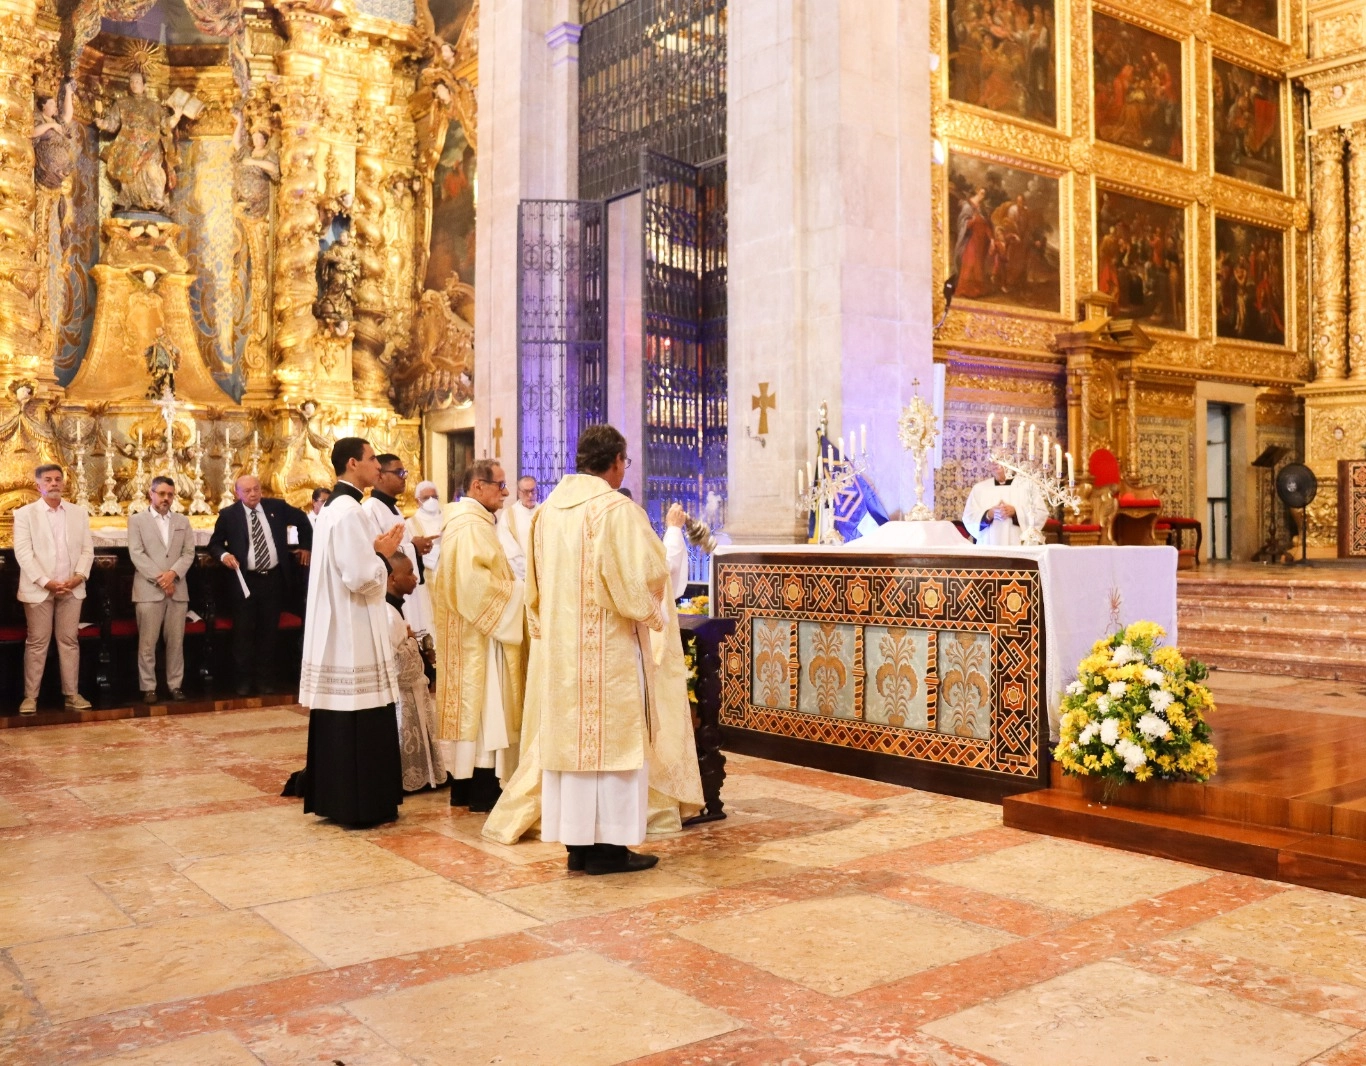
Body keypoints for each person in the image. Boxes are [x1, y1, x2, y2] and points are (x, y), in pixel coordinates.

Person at [483, 425, 671, 875]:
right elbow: (640, 576)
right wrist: (652, 611)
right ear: (617, 461)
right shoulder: (615, 510)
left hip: (562, 656)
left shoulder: (546, 512)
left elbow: (534, 589)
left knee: (572, 751)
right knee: (610, 750)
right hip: (608, 654)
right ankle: (609, 849)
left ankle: (578, 847)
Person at [297, 437, 406, 826]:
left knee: (341, 715)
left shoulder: (336, 508)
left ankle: (338, 799)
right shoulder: (349, 512)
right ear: (351, 463)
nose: (378, 465)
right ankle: (362, 804)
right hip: (352, 629)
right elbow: (359, 576)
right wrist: (381, 556)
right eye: (372, 458)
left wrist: (374, 550)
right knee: (360, 711)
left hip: (342, 626)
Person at [433, 459, 525, 813]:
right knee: (486, 710)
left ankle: (466, 787)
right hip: (480, 637)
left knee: (478, 714)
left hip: (472, 632)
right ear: (477, 487)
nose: (504, 493)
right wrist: (519, 593)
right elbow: (474, 587)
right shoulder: (471, 526)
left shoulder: (471, 522)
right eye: (499, 486)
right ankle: (483, 789)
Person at [208, 474, 312, 696]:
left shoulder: (277, 507)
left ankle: (265, 680)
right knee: (243, 634)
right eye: (247, 491)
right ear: (238, 493)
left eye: (256, 488)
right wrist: (224, 554)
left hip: (273, 579)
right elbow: (215, 544)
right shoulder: (229, 515)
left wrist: (305, 546)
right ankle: (243, 682)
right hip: (245, 581)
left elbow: (303, 520)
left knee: (268, 633)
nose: (253, 493)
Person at [12, 464, 94, 714]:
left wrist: (78, 577)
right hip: (39, 588)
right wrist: (46, 581)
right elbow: (24, 554)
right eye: (48, 480)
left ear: (64, 483)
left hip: (71, 587)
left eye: (58, 479)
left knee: (68, 641)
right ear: (38, 485)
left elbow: (87, 550)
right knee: (37, 642)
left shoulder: (78, 513)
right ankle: (31, 697)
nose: (54, 483)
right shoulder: (25, 514)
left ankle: (71, 694)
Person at [127, 476, 194, 703]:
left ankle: (175, 685)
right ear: (151, 494)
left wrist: (172, 575)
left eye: (170, 495)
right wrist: (160, 579)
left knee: (176, 642)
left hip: (177, 590)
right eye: (162, 494)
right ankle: (148, 687)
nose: (166, 499)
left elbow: (188, 553)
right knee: (147, 642)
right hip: (148, 590)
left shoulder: (183, 521)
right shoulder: (137, 520)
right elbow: (137, 553)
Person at [387, 553, 446, 792]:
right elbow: (395, 665)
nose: (415, 578)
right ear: (392, 578)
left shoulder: (394, 608)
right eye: (409, 572)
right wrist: (412, 643)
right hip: (399, 699)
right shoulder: (387, 613)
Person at [361, 455, 434, 638]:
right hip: (389, 590)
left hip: (404, 586)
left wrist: (414, 547)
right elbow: (377, 553)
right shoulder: (371, 509)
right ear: (380, 476)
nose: (404, 477)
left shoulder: (394, 509)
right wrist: (413, 548)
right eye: (399, 472)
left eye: (405, 472)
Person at [962, 462, 1049, 546]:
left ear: (1010, 461)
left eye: (1000, 458)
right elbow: (969, 518)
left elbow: (1040, 513)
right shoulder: (979, 489)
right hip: (989, 545)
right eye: (993, 460)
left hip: (1019, 545)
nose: (996, 463)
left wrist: (1016, 512)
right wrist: (988, 515)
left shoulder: (1028, 486)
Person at [496, 475, 537, 580]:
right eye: (526, 492)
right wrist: (528, 573)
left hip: (542, 576)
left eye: (533, 490)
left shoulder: (545, 512)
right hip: (519, 577)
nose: (530, 495)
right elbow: (510, 551)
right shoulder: (509, 516)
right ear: (519, 493)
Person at [406, 480, 444, 574]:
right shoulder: (410, 524)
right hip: (424, 573)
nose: (431, 500)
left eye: (434, 497)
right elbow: (409, 550)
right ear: (417, 501)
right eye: (426, 498)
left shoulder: (447, 518)